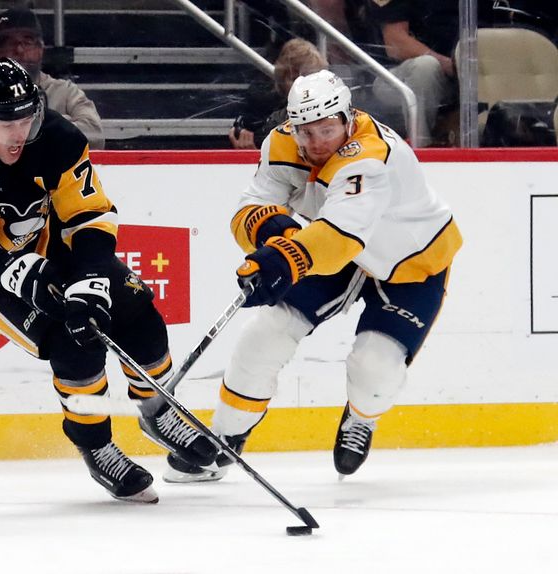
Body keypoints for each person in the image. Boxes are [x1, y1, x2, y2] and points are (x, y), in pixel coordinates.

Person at [0, 58, 217, 502]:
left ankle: (157, 408)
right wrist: (16, 274)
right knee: (72, 340)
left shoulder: (57, 136)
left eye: (26, 118)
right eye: (6, 123)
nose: (19, 132)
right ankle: (96, 445)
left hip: (48, 247)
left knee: (136, 309)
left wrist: (92, 277)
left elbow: (89, 214)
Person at [165, 70, 462, 482]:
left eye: (327, 129)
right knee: (263, 335)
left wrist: (282, 261)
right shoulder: (281, 143)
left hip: (409, 262)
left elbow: (342, 236)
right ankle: (224, 438)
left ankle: (361, 416)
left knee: (373, 366)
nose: (317, 142)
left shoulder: (371, 157)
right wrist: (274, 233)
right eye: (306, 131)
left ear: (346, 117)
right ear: (293, 125)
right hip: (332, 254)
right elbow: (251, 205)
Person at [0, 7, 105, 150]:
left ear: (40, 49)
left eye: (28, 41)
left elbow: (96, 136)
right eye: (9, 43)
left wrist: (43, 125)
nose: (19, 50)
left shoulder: (66, 92)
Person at [368, 0, 459, 147]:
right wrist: (449, 65)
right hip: (394, 78)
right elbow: (395, 42)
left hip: (464, 76)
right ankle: (421, 148)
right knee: (426, 66)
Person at [229, 38, 327, 150]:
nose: (301, 84)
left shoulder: (331, 112)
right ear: (282, 78)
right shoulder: (261, 108)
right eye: (294, 78)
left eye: (309, 78)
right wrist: (253, 152)